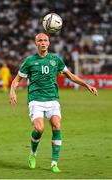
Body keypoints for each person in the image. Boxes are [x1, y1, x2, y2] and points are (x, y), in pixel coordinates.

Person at [10, 33, 98, 173]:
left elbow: (70, 76)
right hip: (36, 100)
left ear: (49, 43)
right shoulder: (30, 61)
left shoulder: (56, 60)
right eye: (40, 40)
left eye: (45, 40)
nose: (43, 43)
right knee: (39, 129)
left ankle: (54, 163)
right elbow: (16, 80)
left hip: (52, 99)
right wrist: (12, 91)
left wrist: (87, 85)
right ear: (36, 43)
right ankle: (33, 154)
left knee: (57, 126)